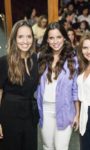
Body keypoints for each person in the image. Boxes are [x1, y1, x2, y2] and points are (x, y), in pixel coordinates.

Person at [37, 22, 80, 150]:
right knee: (47, 146)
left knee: (61, 147)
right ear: (47, 40)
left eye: (58, 37)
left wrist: (77, 114)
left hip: (65, 110)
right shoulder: (41, 58)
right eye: (51, 38)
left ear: (64, 38)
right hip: (45, 110)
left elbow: (75, 90)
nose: (55, 41)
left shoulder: (73, 59)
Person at [0, 20, 39, 150]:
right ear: (14, 38)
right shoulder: (5, 61)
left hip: (29, 114)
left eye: (29, 36)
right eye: (20, 36)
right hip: (9, 114)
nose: (25, 41)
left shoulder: (35, 59)